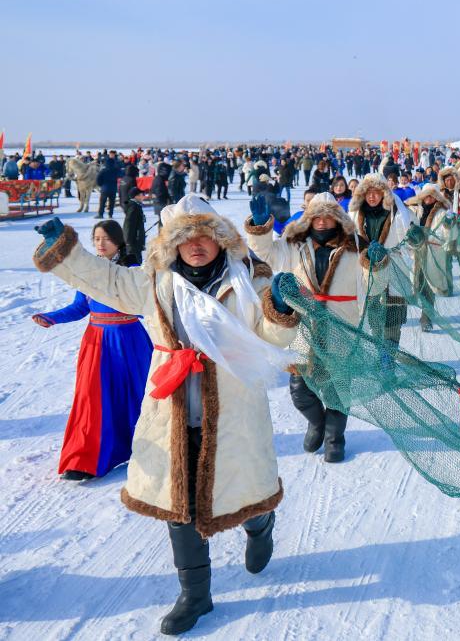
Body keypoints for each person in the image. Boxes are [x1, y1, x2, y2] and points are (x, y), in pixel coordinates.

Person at [31, 195, 298, 635]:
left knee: (241, 485)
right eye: (185, 237)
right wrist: (65, 248)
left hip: (233, 408)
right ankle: (196, 594)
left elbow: (272, 337)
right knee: (182, 504)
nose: (195, 244)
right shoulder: (152, 283)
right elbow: (104, 279)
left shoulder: (250, 281)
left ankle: (260, 521)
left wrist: (283, 311)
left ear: (220, 240)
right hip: (172, 407)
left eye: (205, 236)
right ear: (172, 244)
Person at [245, 192, 367, 463]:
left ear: (338, 219)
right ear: (309, 219)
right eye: (317, 217)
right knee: (301, 391)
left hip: (342, 327)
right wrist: (262, 227)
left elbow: (372, 285)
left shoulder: (356, 247)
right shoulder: (293, 245)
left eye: (328, 216)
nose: (322, 222)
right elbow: (265, 254)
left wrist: (377, 265)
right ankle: (317, 424)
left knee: (338, 389)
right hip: (304, 328)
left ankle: (336, 439)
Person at [30, 221, 152, 481]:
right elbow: (79, 308)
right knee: (92, 398)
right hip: (97, 342)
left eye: (106, 238)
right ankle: (85, 458)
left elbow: (145, 306)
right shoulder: (87, 274)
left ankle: (148, 449)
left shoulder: (131, 271)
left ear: (118, 241)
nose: (100, 243)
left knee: (136, 395)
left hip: (129, 341)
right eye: (96, 238)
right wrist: (51, 317)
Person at [350, 174, 411, 345]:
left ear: (384, 192)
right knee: (374, 320)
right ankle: (378, 350)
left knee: (393, 318)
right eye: (368, 192)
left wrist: (416, 237)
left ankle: (388, 357)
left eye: (376, 192)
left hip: (395, 272)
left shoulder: (399, 212)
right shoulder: (355, 215)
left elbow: (413, 236)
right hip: (368, 274)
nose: (372, 196)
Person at [405, 183, 453, 332]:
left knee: (429, 287)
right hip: (416, 253)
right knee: (417, 285)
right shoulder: (415, 210)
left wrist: (448, 225)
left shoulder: (442, 212)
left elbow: (447, 236)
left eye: (432, 195)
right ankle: (424, 312)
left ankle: (427, 317)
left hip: (432, 253)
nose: (429, 198)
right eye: (426, 194)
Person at [122, 187, 147, 262]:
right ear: (136, 196)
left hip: (136, 241)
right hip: (133, 243)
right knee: (135, 265)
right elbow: (128, 224)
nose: (144, 196)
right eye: (142, 194)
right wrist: (128, 242)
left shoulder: (136, 206)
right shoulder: (133, 207)